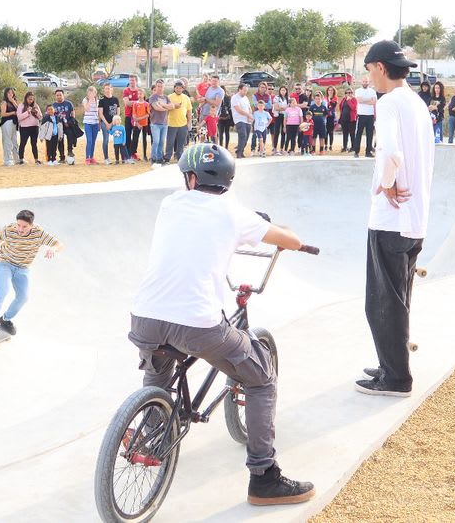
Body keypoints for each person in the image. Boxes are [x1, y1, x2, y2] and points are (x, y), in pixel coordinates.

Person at [127, 142, 315, 506]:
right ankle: (264, 477)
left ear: (191, 178)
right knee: (261, 378)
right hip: (198, 325)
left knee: (158, 368)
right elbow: (290, 240)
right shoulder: (234, 213)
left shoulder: (170, 204)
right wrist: (275, 228)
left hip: (144, 318)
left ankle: (153, 435)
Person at [355, 40, 435, 397]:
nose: (368, 77)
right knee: (399, 299)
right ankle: (391, 364)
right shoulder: (416, 103)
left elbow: (390, 152)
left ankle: (396, 378)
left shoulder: (388, 103)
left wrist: (387, 183)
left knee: (382, 302)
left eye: (369, 69)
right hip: (415, 218)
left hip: (390, 220)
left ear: (381, 68)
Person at [0, 209, 63, 343]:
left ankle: (5, 319)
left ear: (32, 225)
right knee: (2, 291)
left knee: (23, 297)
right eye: (18, 225)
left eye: (24, 226)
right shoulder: (8, 229)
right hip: (4, 263)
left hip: (23, 268)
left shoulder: (39, 233)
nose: (20, 229)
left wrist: (53, 248)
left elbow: (59, 244)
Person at [164, 81, 193, 163]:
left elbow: (189, 111)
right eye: (177, 88)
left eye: (180, 88)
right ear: (174, 88)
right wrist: (165, 120)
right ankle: (167, 157)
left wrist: (189, 122)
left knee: (181, 143)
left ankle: (179, 157)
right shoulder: (169, 97)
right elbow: (166, 110)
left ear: (183, 89)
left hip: (183, 124)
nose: (178, 89)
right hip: (171, 124)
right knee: (170, 142)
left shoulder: (186, 98)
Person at [148, 80, 170, 167]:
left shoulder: (166, 97)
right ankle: (153, 159)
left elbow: (172, 106)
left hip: (164, 123)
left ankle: (160, 159)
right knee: (156, 141)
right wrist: (166, 107)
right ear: (156, 87)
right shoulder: (153, 97)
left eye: (161, 86)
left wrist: (163, 105)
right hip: (155, 123)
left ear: (164, 87)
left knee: (161, 142)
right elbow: (156, 108)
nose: (160, 88)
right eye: (158, 86)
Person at [122, 76, 145, 160]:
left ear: (136, 81)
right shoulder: (126, 91)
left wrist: (132, 102)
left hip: (138, 118)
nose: (132, 82)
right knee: (127, 135)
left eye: (133, 80)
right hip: (129, 116)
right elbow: (127, 103)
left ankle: (133, 153)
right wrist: (137, 102)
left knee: (136, 136)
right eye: (130, 80)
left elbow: (143, 103)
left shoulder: (139, 91)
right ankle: (127, 154)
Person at [353, 77, 377, 157]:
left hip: (370, 115)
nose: (365, 83)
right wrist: (369, 100)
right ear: (361, 82)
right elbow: (359, 101)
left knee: (369, 134)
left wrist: (364, 100)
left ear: (368, 82)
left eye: (366, 81)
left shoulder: (372, 91)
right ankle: (356, 152)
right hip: (361, 115)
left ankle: (368, 152)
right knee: (358, 133)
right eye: (364, 81)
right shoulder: (358, 91)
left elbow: (374, 102)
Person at [52, 89, 78, 163]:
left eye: (60, 95)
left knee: (70, 135)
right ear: (55, 96)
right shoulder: (53, 105)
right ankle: (62, 157)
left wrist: (71, 122)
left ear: (63, 95)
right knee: (60, 140)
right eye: (57, 95)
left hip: (68, 124)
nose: (59, 96)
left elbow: (73, 114)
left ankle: (70, 151)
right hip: (59, 125)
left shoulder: (69, 103)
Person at [17, 92, 42, 165]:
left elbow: (40, 117)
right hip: (24, 127)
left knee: (34, 143)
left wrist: (36, 112)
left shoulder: (36, 105)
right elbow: (19, 117)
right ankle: (21, 159)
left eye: (32, 99)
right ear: (26, 98)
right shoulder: (21, 106)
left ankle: (36, 159)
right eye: (29, 99)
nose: (30, 101)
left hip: (35, 127)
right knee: (23, 143)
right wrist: (28, 112)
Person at [200, 75, 225, 150]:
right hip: (204, 113)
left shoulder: (220, 91)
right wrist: (200, 105)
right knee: (203, 132)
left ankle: (215, 148)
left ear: (218, 81)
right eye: (212, 81)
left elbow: (217, 103)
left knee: (213, 133)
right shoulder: (209, 88)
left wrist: (206, 99)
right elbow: (205, 100)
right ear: (210, 81)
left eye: (215, 81)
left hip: (212, 116)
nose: (214, 82)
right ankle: (202, 148)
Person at [97, 84, 119, 163]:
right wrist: (107, 124)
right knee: (106, 140)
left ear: (112, 89)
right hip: (105, 123)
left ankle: (119, 158)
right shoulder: (102, 100)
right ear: (104, 90)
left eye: (109, 88)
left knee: (118, 140)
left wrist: (113, 122)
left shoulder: (115, 99)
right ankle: (106, 158)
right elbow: (100, 114)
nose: (108, 90)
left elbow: (118, 112)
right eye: (106, 88)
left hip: (115, 122)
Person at [82, 86, 104, 165]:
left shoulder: (98, 101)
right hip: (88, 123)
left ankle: (91, 157)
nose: (91, 94)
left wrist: (99, 123)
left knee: (93, 141)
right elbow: (87, 109)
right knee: (89, 140)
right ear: (87, 93)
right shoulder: (85, 100)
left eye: (93, 93)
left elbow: (99, 113)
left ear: (95, 93)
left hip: (95, 123)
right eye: (90, 93)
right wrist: (90, 100)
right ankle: (87, 158)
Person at [231, 83, 253, 158]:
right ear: (239, 89)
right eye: (244, 90)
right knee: (243, 135)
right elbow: (238, 110)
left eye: (246, 91)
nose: (245, 92)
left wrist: (250, 115)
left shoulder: (246, 98)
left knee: (246, 137)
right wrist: (248, 115)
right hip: (239, 120)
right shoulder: (235, 98)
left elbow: (249, 108)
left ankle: (241, 151)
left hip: (247, 120)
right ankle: (239, 153)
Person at [0, 87, 19, 167]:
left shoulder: (14, 101)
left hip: (14, 123)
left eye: (12, 93)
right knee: (7, 141)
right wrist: (13, 113)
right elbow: (3, 114)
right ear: (6, 94)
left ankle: (17, 158)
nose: (10, 94)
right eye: (9, 93)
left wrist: (13, 101)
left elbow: (19, 110)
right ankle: (7, 159)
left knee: (14, 141)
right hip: (7, 122)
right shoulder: (4, 102)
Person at [338, 88, 357, 153]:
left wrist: (349, 100)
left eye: (350, 92)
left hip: (351, 120)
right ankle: (345, 147)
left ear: (352, 93)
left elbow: (353, 107)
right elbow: (340, 106)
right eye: (346, 93)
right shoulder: (344, 99)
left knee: (352, 134)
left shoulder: (354, 99)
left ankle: (353, 147)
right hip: (344, 119)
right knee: (345, 134)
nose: (348, 94)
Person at [271, 86, 289, 155]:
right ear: (280, 91)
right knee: (276, 132)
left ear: (286, 91)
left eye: (284, 90)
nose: (283, 92)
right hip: (278, 115)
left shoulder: (288, 98)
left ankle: (281, 149)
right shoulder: (277, 98)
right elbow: (276, 108)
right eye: (281, 90)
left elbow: (288, 108)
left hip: (285, 116)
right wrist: (284, 108)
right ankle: (275, 148)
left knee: (283, 132)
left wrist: (281, 108)